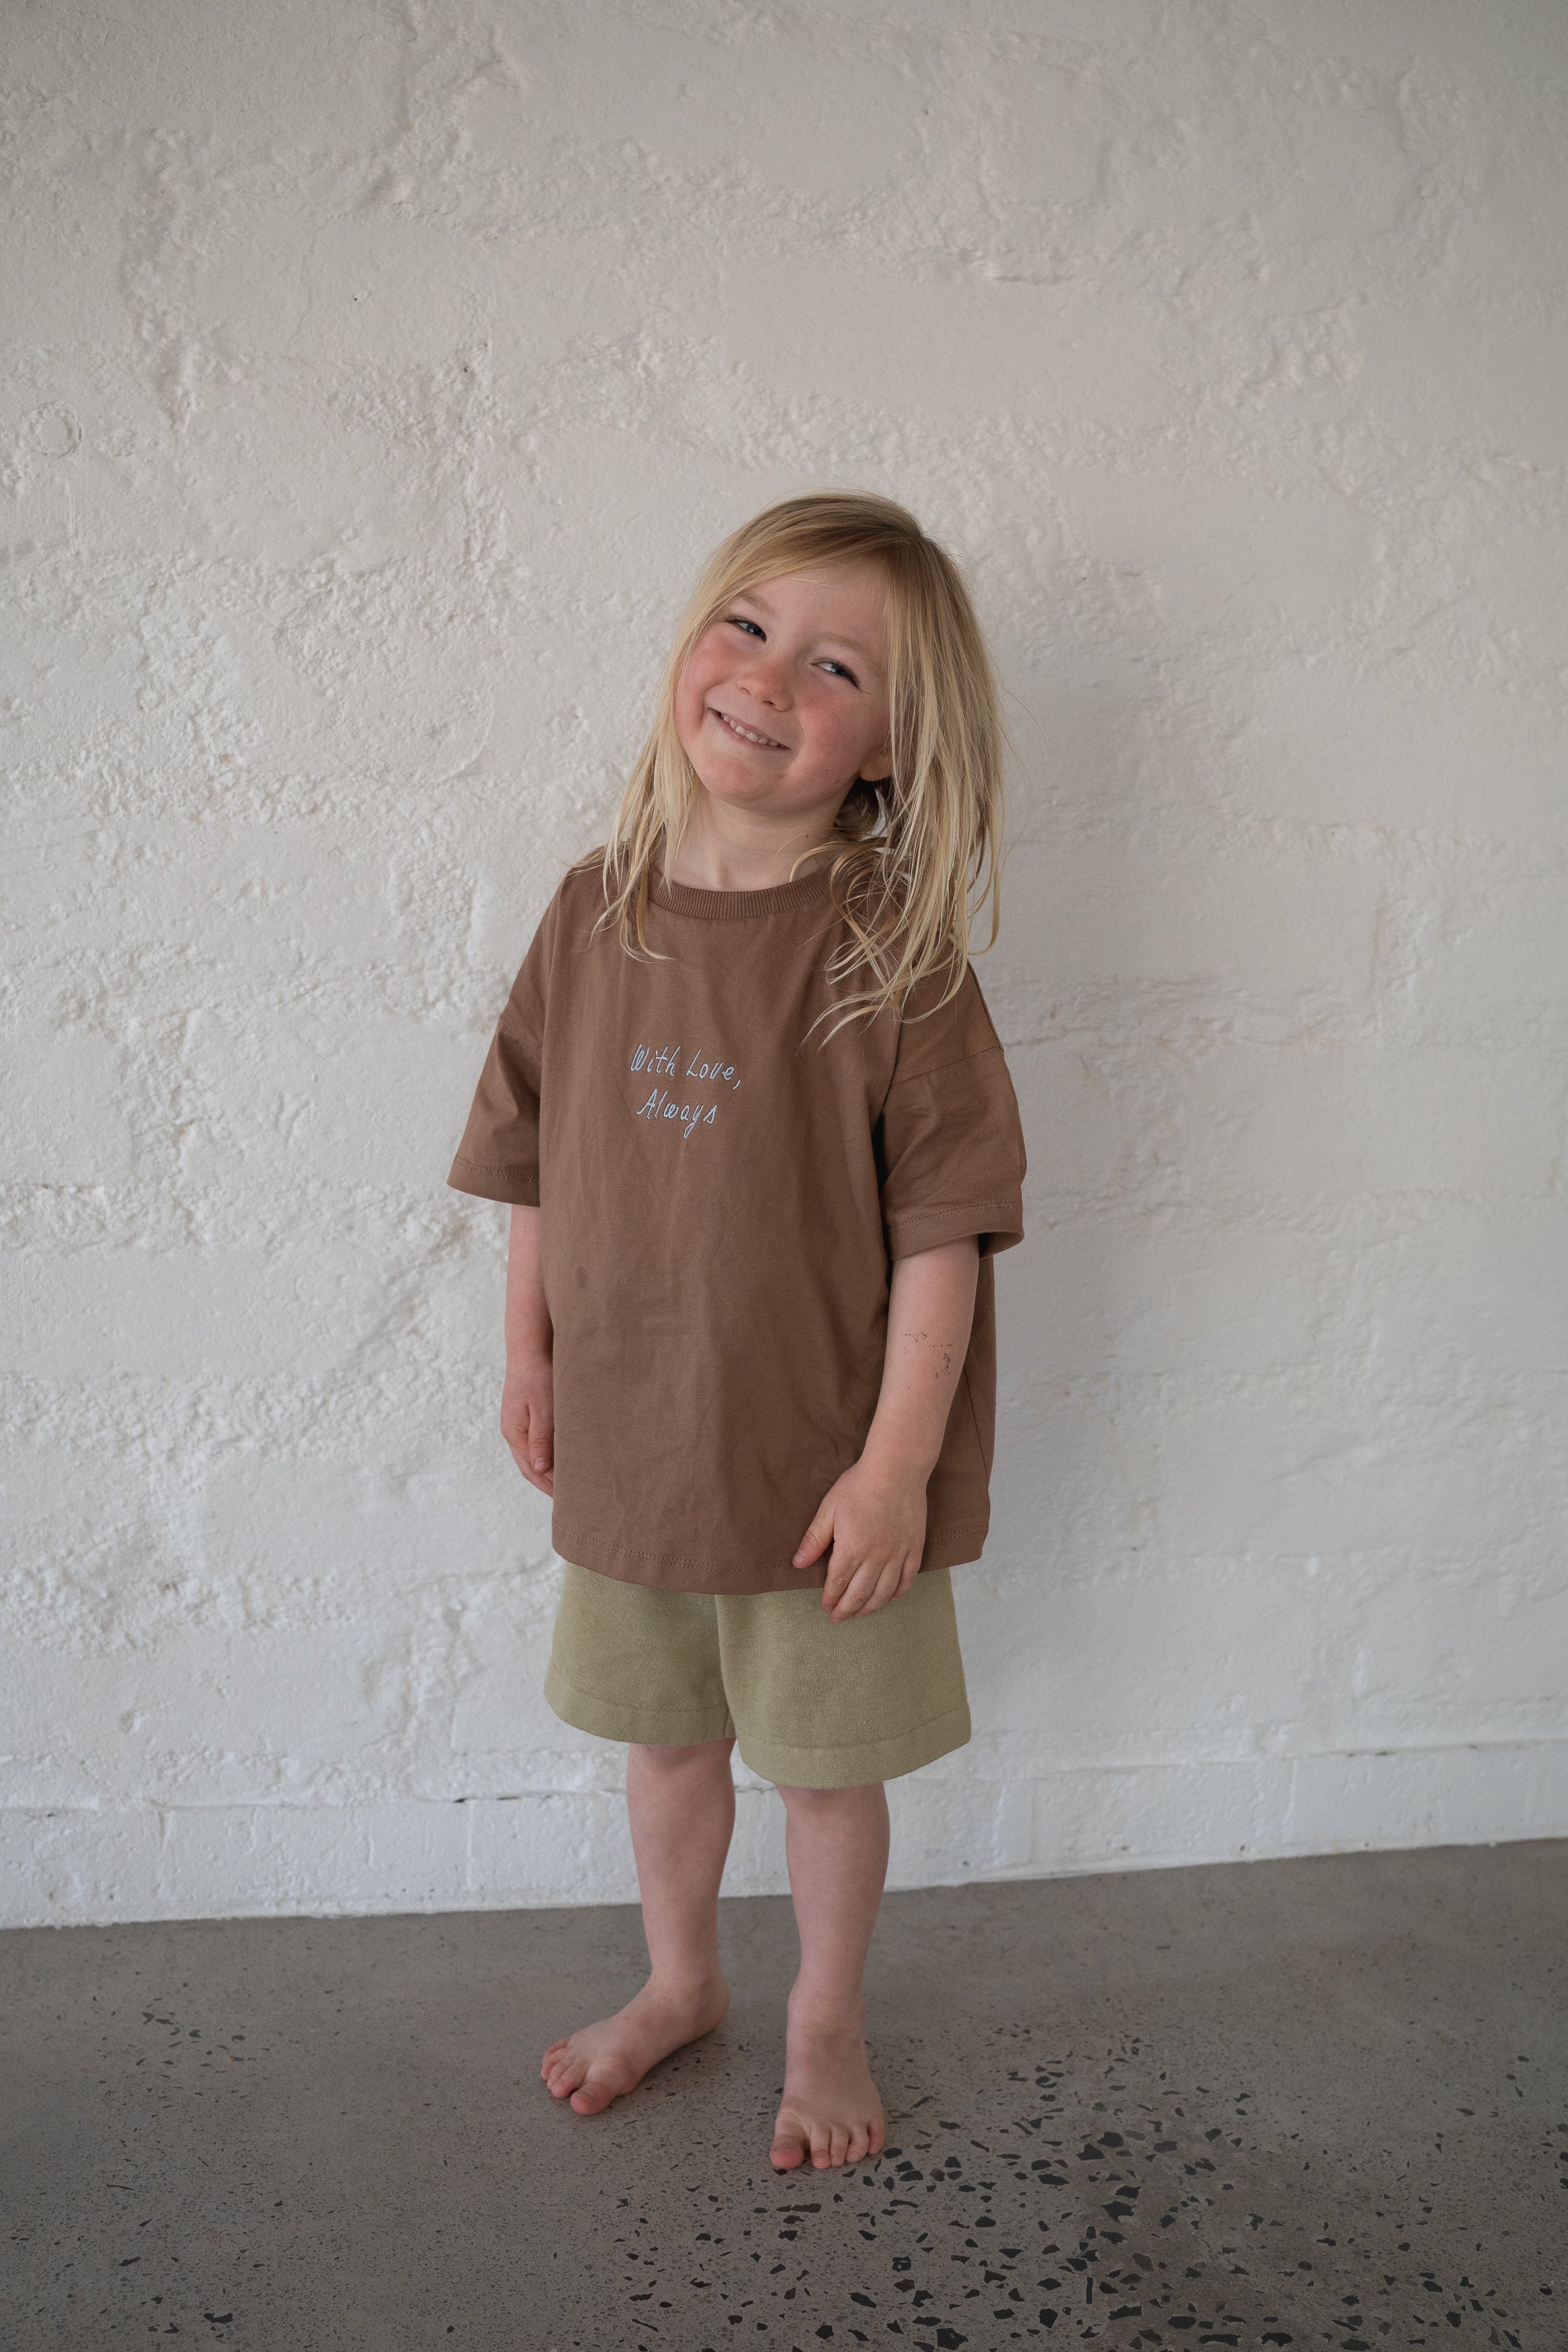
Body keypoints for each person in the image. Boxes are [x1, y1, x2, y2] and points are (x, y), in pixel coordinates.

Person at [445, 489, 1027, 2172]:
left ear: (891, 750)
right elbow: (532, 1159)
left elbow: (947, 1231)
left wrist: (896, 1470)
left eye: (833, 665)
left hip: (819, 1475)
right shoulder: (594, 907)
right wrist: (529, 1353)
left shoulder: (891, 955)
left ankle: (823, 2022)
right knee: (665, 1744)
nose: (770, 678)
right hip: (637, 1442)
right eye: (751, 626)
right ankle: (682, 1979)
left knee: (826, 1777)